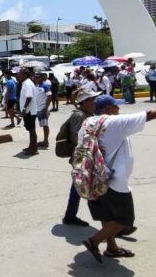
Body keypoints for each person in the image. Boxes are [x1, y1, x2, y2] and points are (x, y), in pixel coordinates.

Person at [81, 96, 156, 262]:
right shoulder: (114, 122)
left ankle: (111, 248)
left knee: (107, 215)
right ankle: (94, 241)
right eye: (115, 106)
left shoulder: (88, 123)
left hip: (93, 177)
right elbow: (149, 114)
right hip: (113, 180)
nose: (119, 110)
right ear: (108, 109)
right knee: (124, 219)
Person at [61, 88, 100, 227]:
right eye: (92, 99)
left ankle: (70, 215)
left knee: (79, 187)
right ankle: (112, 223)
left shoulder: (89, 114)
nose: (95, 102)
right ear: (84, 102)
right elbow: (76, 137)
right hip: (82, 157)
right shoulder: (79, 116)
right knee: (94, 187)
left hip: (86, 156)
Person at [18, 68, 38, 156]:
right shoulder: (26, 83)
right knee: (30, 130)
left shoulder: (28, 84)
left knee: (32, 130)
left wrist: (24, 109)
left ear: (25, 75)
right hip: (29, 111)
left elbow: (29, 97)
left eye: (20, 74)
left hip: (29, 111)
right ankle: (32, 146)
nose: (18, 75)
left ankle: (34, 149)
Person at [34, 73, 52, 149]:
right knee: (42, 125)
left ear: (41, 78)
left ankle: (46, 141)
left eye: (37, 77)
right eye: (35, 77)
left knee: (45, 125)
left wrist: (46, 108)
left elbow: (50, 96)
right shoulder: (36, 86)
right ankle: (44, 141)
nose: (35, 79)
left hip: (43, 109)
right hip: (37, 109)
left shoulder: (45, 85)